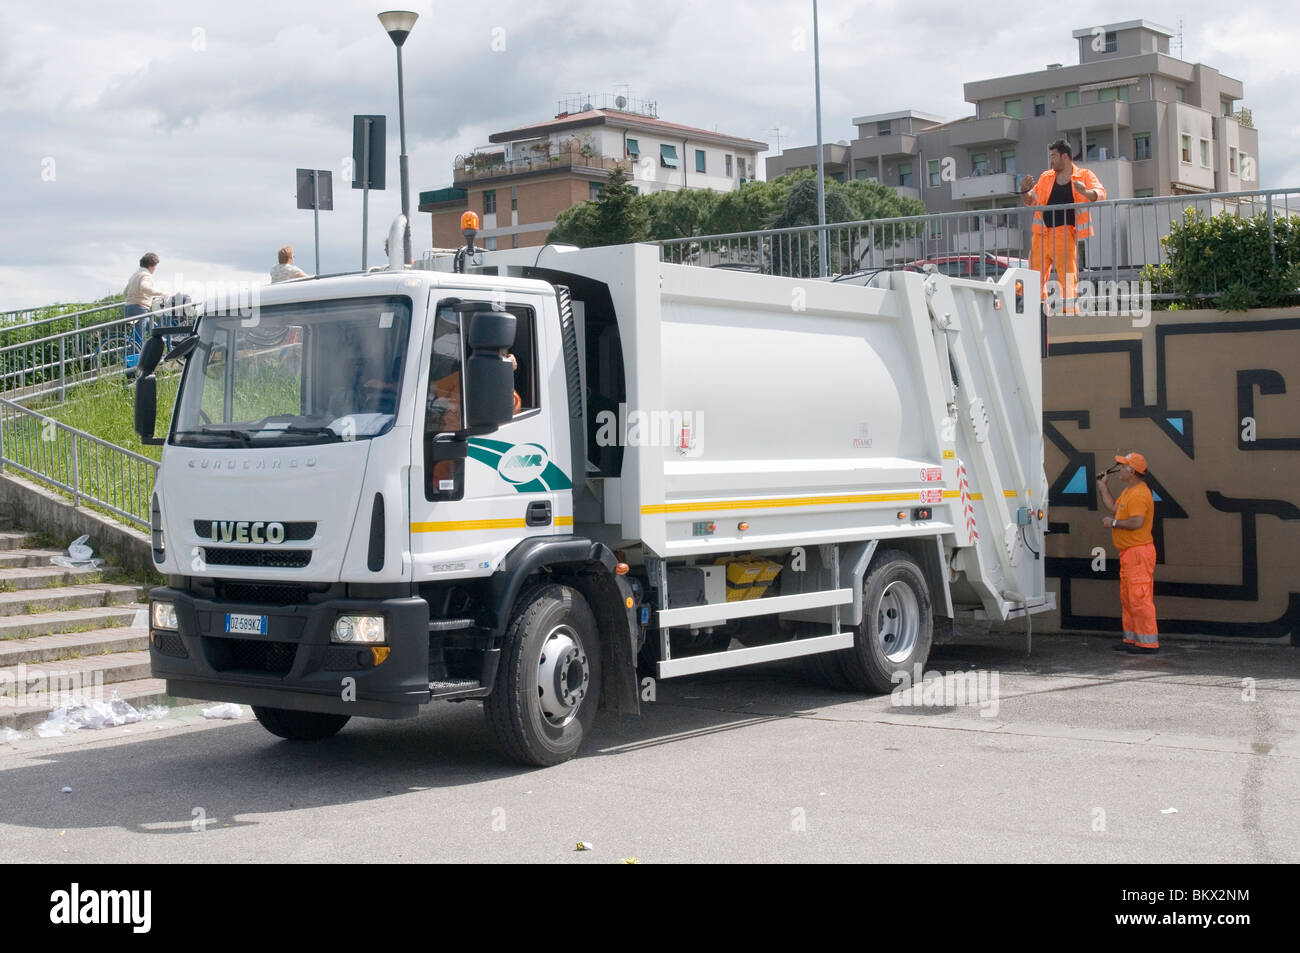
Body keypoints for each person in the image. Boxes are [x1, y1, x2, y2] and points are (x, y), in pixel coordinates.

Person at [1020, 139, 1106, 316]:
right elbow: (1031, 200)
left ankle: (1069, 317)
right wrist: (1024, 191)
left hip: (1065, 235)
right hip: (1041, 234)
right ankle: (1038, 315)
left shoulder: (1084, 175)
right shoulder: (1046, 177)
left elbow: (1100, 193)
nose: (1050, 161)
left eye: (1053, 156)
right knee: (1035, 278)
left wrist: (1084, 192)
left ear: (1064, 156)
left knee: (1067, 279)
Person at [1097, 451, 1158, 654]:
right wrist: (1103, 487)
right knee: (1129, 598)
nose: (1119, 470)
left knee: (1139, 598)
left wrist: (1113, 523)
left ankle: (1147, 643)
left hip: (1138, 554)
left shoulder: (1139, 494)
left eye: (1122, 467)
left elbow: (1136, 522)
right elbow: (1114, 507)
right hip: (1130, 553)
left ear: (1131, 471)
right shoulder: (1129, 491)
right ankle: (1132, 640)